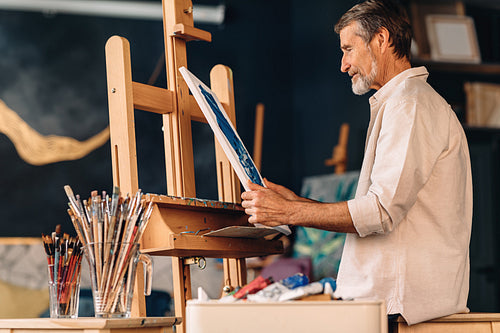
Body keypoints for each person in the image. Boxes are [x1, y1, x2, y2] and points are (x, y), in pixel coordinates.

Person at [241, 0, 472, 325]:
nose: (343, 64)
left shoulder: (410, 105)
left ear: (381, 39)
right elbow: (379, 207)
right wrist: (296, 203)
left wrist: (290, 212)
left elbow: (380, 211)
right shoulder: (401, 103)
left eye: (348, 49)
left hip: (401, 308)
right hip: (392, 305)